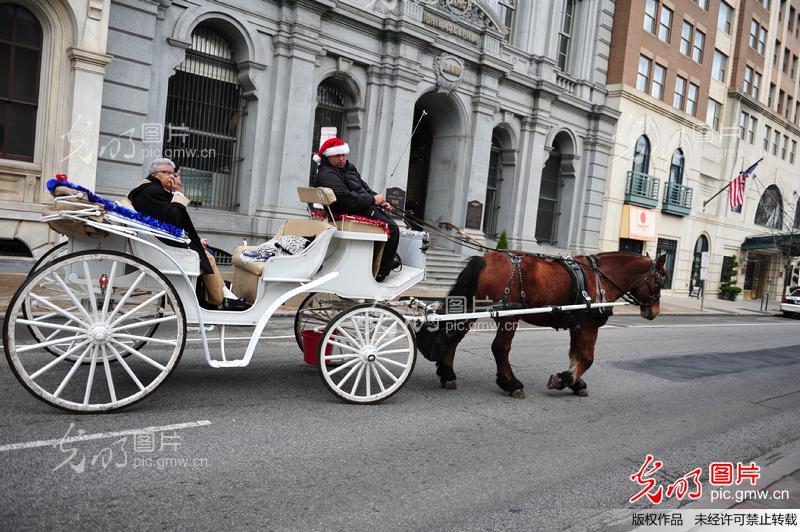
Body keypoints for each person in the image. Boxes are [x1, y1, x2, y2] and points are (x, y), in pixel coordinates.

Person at [128, 158, 248, 310]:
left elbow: (167, 218)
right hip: (164, 243)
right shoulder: (152, 191)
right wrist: (177, 193)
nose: (172, 177)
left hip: (164, 238)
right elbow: (174, 219)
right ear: (156, 174)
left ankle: (225, 296)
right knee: (207, 257)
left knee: (206, 251)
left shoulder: (150, 190)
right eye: (168, 173)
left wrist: (194, 239)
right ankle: (219, 299)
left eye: (173, 173)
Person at [312, 138, 400, 282]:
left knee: (388, 221)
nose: (342, 159)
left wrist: (379, 200)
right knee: (392, 228)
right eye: (338, 155)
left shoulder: (347, 168)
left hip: (361, 206)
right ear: (328, 156)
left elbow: (363, 187)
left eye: (344, 155)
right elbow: (346, 200)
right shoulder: (327, 175)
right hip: (348, 211)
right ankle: (380, 272)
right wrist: (372, 200)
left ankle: (382, 260)